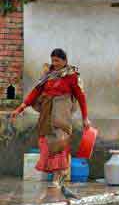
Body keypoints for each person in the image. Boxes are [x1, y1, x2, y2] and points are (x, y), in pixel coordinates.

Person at [11, 49, 90, 190]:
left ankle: (58, 176)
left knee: (60, 143)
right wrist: (20, 108)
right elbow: (36, 92)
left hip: (62, 115)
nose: (55, 63)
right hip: (46, 114)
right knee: (46, 143)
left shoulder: (72, 76)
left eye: (57, 61)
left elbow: (81, 98)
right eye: (53, 60)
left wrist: (85, 118)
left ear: (65, 60)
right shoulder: (48, 75)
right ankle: (56, 174)